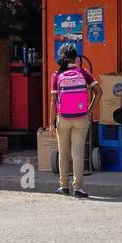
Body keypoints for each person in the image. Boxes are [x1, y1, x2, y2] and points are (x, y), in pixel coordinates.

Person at [49, 43, 99, 198]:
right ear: (76, 58)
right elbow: (99, 92)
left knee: (63, 152)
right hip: (81, 117)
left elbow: (53, 100)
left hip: (62, 118)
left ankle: (63, 186)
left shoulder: (56, 75)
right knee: (77, 153)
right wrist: (90, 110)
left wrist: (51, 123)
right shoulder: (83, 72)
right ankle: (78, 188)